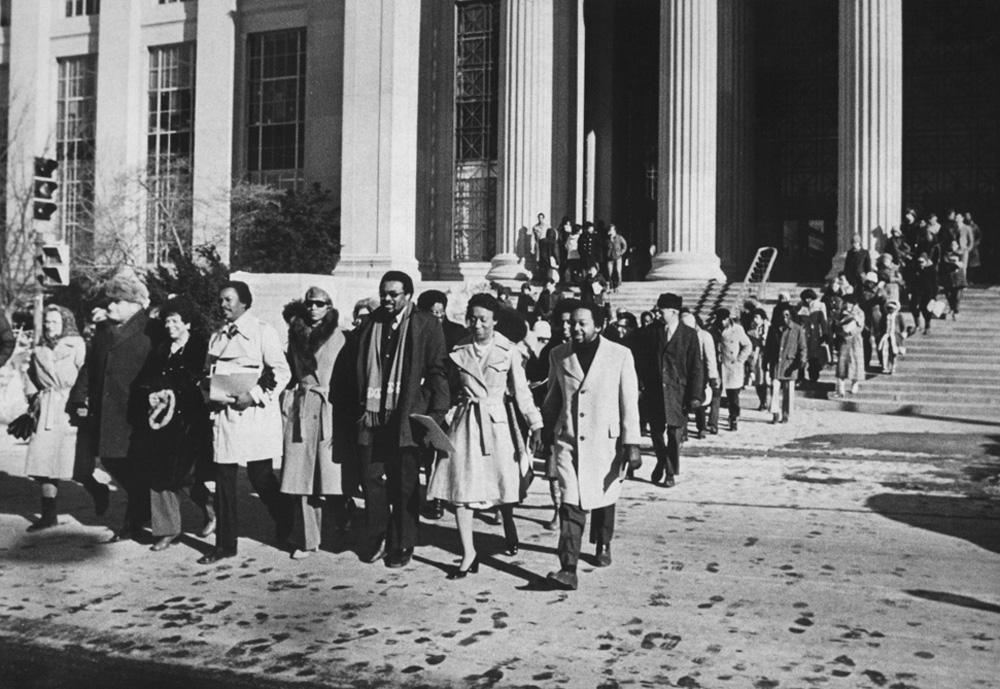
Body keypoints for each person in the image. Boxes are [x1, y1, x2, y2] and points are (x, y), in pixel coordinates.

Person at [427, 294, 541, 578]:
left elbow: (521, 391)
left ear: (495, 321)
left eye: (484, 320)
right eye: (473, 319)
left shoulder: (509, 350)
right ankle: (469, 554)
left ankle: (509, 525)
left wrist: (535, 423)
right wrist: (443, 416)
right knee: (462, 490)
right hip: (466, 424)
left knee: (501, 486)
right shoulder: (458, 349)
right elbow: (449, 388)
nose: (477, 325)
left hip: (497, 425)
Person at [542, 302, 641, 590]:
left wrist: (631, 443)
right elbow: (553, 397)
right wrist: (545, 431)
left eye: (582, 323)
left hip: (605, 441)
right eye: (571, 323)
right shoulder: (559, 355)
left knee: (602, 497)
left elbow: (629, 402)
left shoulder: (619, 355)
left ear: (598, 325)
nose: (575, 328)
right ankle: (568, 567)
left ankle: (602, 542)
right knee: (570, 502)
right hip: (569, 440)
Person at [355, 271, 450, 568]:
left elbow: (438, 370)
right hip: (374, 417)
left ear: (408, 295)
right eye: (384, 293)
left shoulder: (426, 324)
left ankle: (403, 541)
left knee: (404, 483)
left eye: (393, 294)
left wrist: (435, 413)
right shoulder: (372, 324)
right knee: (371, 479)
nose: (387, 299)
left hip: (406, 417)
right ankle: (378, 534)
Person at [198, 281, 293, 564]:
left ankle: (286, 519)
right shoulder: (216, 337)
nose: (223, 305)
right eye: (221, 300)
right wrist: (208, 390)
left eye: (228, 299)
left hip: (254, 418)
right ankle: (225, 545)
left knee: (261, 478)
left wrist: (253, 396)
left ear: (244, 303)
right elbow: (207, 371)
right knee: (224, 480)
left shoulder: (263, 332)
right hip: (225, 416)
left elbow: (281, 371)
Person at [69, 271, 161, 542]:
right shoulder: (104, 330)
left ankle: (134, 522)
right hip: (105, 408)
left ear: (133, 303)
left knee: (132, 463)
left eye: (116, 301)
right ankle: (140, 509)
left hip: (133, 409)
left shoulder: (151, 330)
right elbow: (90, 366)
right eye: (109, 301)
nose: (110, 306)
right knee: (110, 460)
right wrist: (78, 397)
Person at [278, 287, 357, 559]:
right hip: (302, 406)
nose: (313, 308)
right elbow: (286, 370)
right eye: (309, 303)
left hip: (330, 408)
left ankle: (344, 512)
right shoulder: (295, 334)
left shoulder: (341, 337)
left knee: (330, 477)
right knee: (301, 478)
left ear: (329, 307)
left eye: (319, 303)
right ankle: (306, 539)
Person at [133, 298, 214, 552]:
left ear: (187, 323)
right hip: (163, 421)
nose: (170, 326)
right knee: (159, 474)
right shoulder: (160, 349)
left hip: (191, 421)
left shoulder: (200, 347)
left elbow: (201, 380)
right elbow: (146, 378)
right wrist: (150, 392)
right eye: (167, 321)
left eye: (175, 321)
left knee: (186, 476)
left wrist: (174, 389)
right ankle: (167, 530)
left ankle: (210, 508)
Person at [22, 305, 86, 531]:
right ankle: (49, 515)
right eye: (47, 322)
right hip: (47, 406)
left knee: (77, 463)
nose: (50, 326)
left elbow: (86, 374)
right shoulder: (38, 348)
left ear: (65, 323)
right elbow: (30, 374)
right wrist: (33, 397)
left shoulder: (76, 345)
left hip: (70, 406)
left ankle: (98, 491)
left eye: (55, 322)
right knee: (43, 463)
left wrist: (83, 402)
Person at [633, 293, 704, 488]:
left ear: (673, 312)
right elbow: (641, 360)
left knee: (674, 434)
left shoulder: (689, 335)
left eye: (661, 310)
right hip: (654, 392)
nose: (657, 313)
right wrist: (640, 384)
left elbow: (696, 367)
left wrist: (695, 395)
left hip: (677, 393)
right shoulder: (651, 332)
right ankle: (661, 460)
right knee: (656, 432)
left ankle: (670, 472)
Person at [763, 304, 806, 423]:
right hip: (776, 364)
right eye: (782, 316)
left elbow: (802, 348)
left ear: (791, 316)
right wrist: (765, 362)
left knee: (788, 392)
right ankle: (775, 413)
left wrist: (801, 362)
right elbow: (767, 347)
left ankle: (786, 415)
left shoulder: (797, 329)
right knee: (774, 389)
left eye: (787, 315)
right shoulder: (773, 328)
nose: (784, 318)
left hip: (790, 364)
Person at [712, 307, 751, 432]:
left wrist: (740, 360)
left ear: (728, 318)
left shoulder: (737, 329)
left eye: (724, 319)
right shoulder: (714, 329)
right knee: (716, 394)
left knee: (733, 396)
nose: (722, 322)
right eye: (720, 319)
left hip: (733, 366)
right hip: (719, 365)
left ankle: (733, 418)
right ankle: (713, 421)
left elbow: (747, 345)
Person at [681, 310, 718, 439]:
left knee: (699, 402)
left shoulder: (704, 336)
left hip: (700, 373)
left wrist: (712, 376)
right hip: (684, 372)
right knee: (683, 402)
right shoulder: (681, 336)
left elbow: (710, 358)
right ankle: (683, 430)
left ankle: (701, 427)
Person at [832, 293, 866, 397]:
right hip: (844, 340)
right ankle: (840, 388)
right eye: (846, 302)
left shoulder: (859, 312)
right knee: (842, 363)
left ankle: (855, 384)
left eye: (849, 302)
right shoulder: (842, 312)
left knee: (855, 362)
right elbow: (836, 325)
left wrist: (850, 330)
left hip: (855, 340)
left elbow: (860, 326)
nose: (847, 304)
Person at [796, 289, 830, 387]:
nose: (807, 301)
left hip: (815, 336)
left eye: (809, 298)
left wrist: (825, 335)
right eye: (805, 299)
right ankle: (800, 377)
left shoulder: (819, 306)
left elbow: (824, 322)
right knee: (802, 356)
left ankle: (814, 377)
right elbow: (797, 321)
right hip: (803, 335)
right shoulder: (800, 307)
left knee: (814, 357)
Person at [746, 308, 770, 411]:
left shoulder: (768, 329)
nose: (755, 319)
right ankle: (761, 401)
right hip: (755, 356)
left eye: (757, 317)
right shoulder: (751, 331)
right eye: (754, 317)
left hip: (765, 356)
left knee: (765, 380)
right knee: (757, 381)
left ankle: (766, 402)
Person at [877, 299, 907, 375]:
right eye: (889, 308)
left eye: (892, 309)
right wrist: (880, 333)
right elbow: (881, 325)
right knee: (885, 350)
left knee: (894, 352)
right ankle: (885, 367)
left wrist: (903, 333)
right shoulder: (885, 316)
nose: (890, 310)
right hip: (886, 336)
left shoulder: (899, 316)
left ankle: (893, 366)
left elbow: (903, 325)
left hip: (895, 336)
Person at [939, 240, 967, 319]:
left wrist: (954, 263)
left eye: (954, 245)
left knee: (957, 296)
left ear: (957, 245)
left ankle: (956, 311)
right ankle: (952, 309)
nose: (953, 246)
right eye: (951, 244)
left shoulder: (961, 253)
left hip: (958, 278)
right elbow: (945, 263)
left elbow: (962, 264)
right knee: (948, 294)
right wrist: (954, 263)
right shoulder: (946, 254)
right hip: (949, 277)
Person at [604, 224, 628, 292]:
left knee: (618, 271)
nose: (610, 231)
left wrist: (621, 252)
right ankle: (611, 286)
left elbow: (624, 245)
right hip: (610, 257)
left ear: (614, 230)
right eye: (609, 230)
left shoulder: (619, 237)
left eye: (611, 230)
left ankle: (618, 285)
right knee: (610, 272)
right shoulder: (607, 238)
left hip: (618, 257)